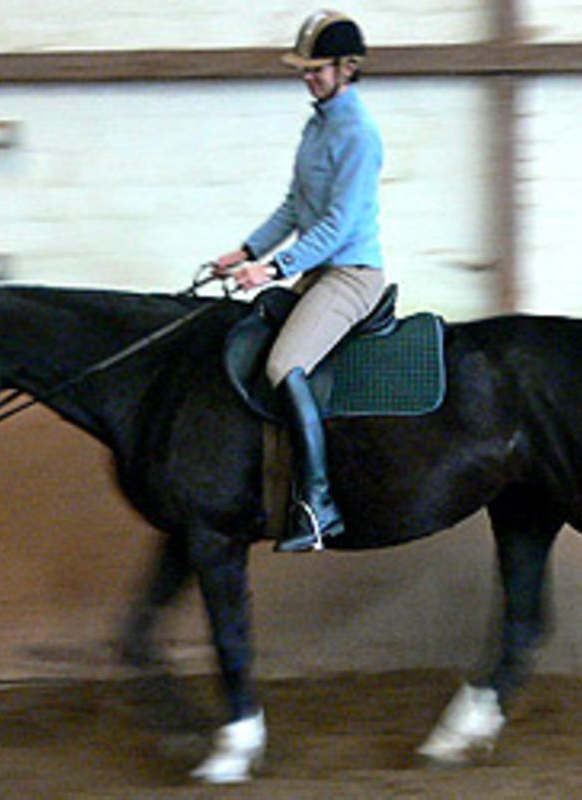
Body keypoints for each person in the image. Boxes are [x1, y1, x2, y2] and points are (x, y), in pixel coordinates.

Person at [213, 10, 386, 553]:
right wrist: (246, 250)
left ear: (347, 67)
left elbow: (339, 225)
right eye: (305, 69)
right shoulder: (318, 126)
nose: (307, 77)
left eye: (316, 69)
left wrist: (272, 269)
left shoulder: (357, 135)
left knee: (284, 364)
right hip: (315, 273)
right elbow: (294, 207)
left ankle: (319, 504)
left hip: (351, 275)